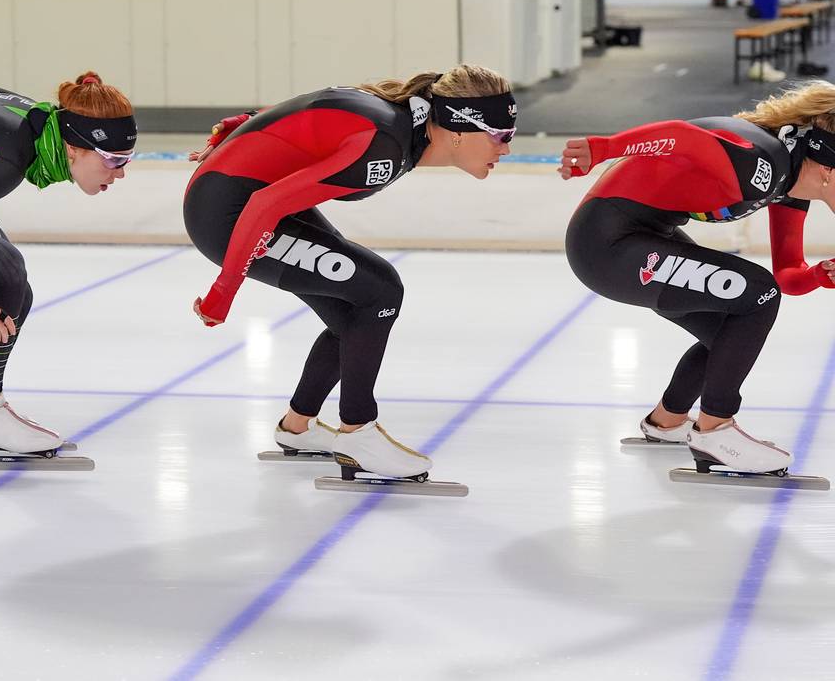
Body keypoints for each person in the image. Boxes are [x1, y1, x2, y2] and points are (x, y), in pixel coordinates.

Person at [184, 65, 516, 481]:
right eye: (501, 135)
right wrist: (224, 290)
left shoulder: (405, 122)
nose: (505, 149)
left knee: (353, 315)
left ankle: (298, 427)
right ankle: (358, 433)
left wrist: (243, 126)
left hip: (241, 197)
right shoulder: (386, 147)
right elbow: (263, 206)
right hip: (229, 217)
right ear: (457, 130)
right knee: (380, 291)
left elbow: (316, 111)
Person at [560, 81, 835, 476]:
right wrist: (604, 148)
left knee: (732, 327)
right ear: (827, 167)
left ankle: (667, 421)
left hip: (641, 235)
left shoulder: (789, 182)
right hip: (607, 243)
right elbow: (681, 136)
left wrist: (820, 276)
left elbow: (788, 275)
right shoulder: (762, 162)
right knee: (756, 294)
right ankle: (715, 429)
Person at [0, 73, 136, 460]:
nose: (121, 172)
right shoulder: (7, 158)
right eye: (114, 159)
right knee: (0, 276)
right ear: (75, 148)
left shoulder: (36, 122)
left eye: (127, 159)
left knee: (12, 288)